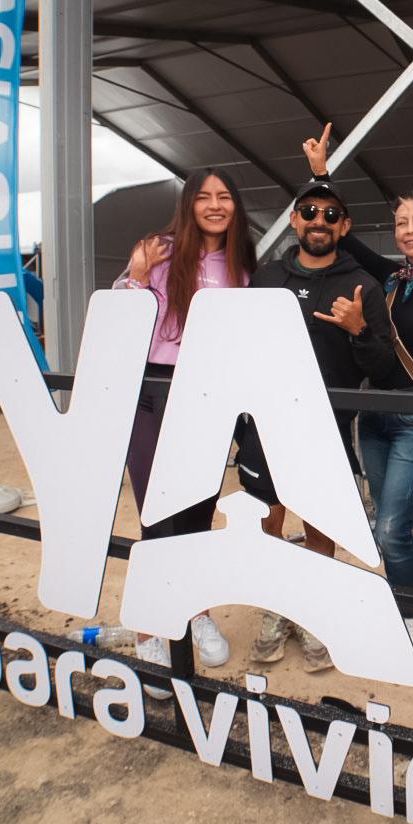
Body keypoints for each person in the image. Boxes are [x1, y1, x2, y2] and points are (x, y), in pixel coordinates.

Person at [303, 125, 413, 669]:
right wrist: (321, 176)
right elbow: (341, 234)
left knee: (390, 526)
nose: (409, 229)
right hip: (372, 416)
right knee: (385, 525)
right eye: (401, 223)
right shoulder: (385, 277)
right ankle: (402, 603)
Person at [235, 171, 395, 672]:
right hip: (267, 423)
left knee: (321, 521)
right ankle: (276, 607)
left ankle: (313, 610)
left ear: (344, 225)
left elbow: (383, 368)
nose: (318, 221)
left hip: (325, 426)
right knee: (268, 519)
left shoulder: (363, 285)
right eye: (308, 212)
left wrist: (359, 329)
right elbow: (243, 349)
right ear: (294, 220)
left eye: (330, 214)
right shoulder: (266, 277)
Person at [114, 169, 254, 675]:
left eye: (225, 196)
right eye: (204, 197)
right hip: (155, 391)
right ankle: (149, 629)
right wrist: (135, 273)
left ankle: (197, 613)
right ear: (189, 204)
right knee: (158, 518)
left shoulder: (241, 264)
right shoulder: (159, 250)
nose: (215, 205)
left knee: (198, 513)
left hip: (210, 395)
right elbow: (121, 317)